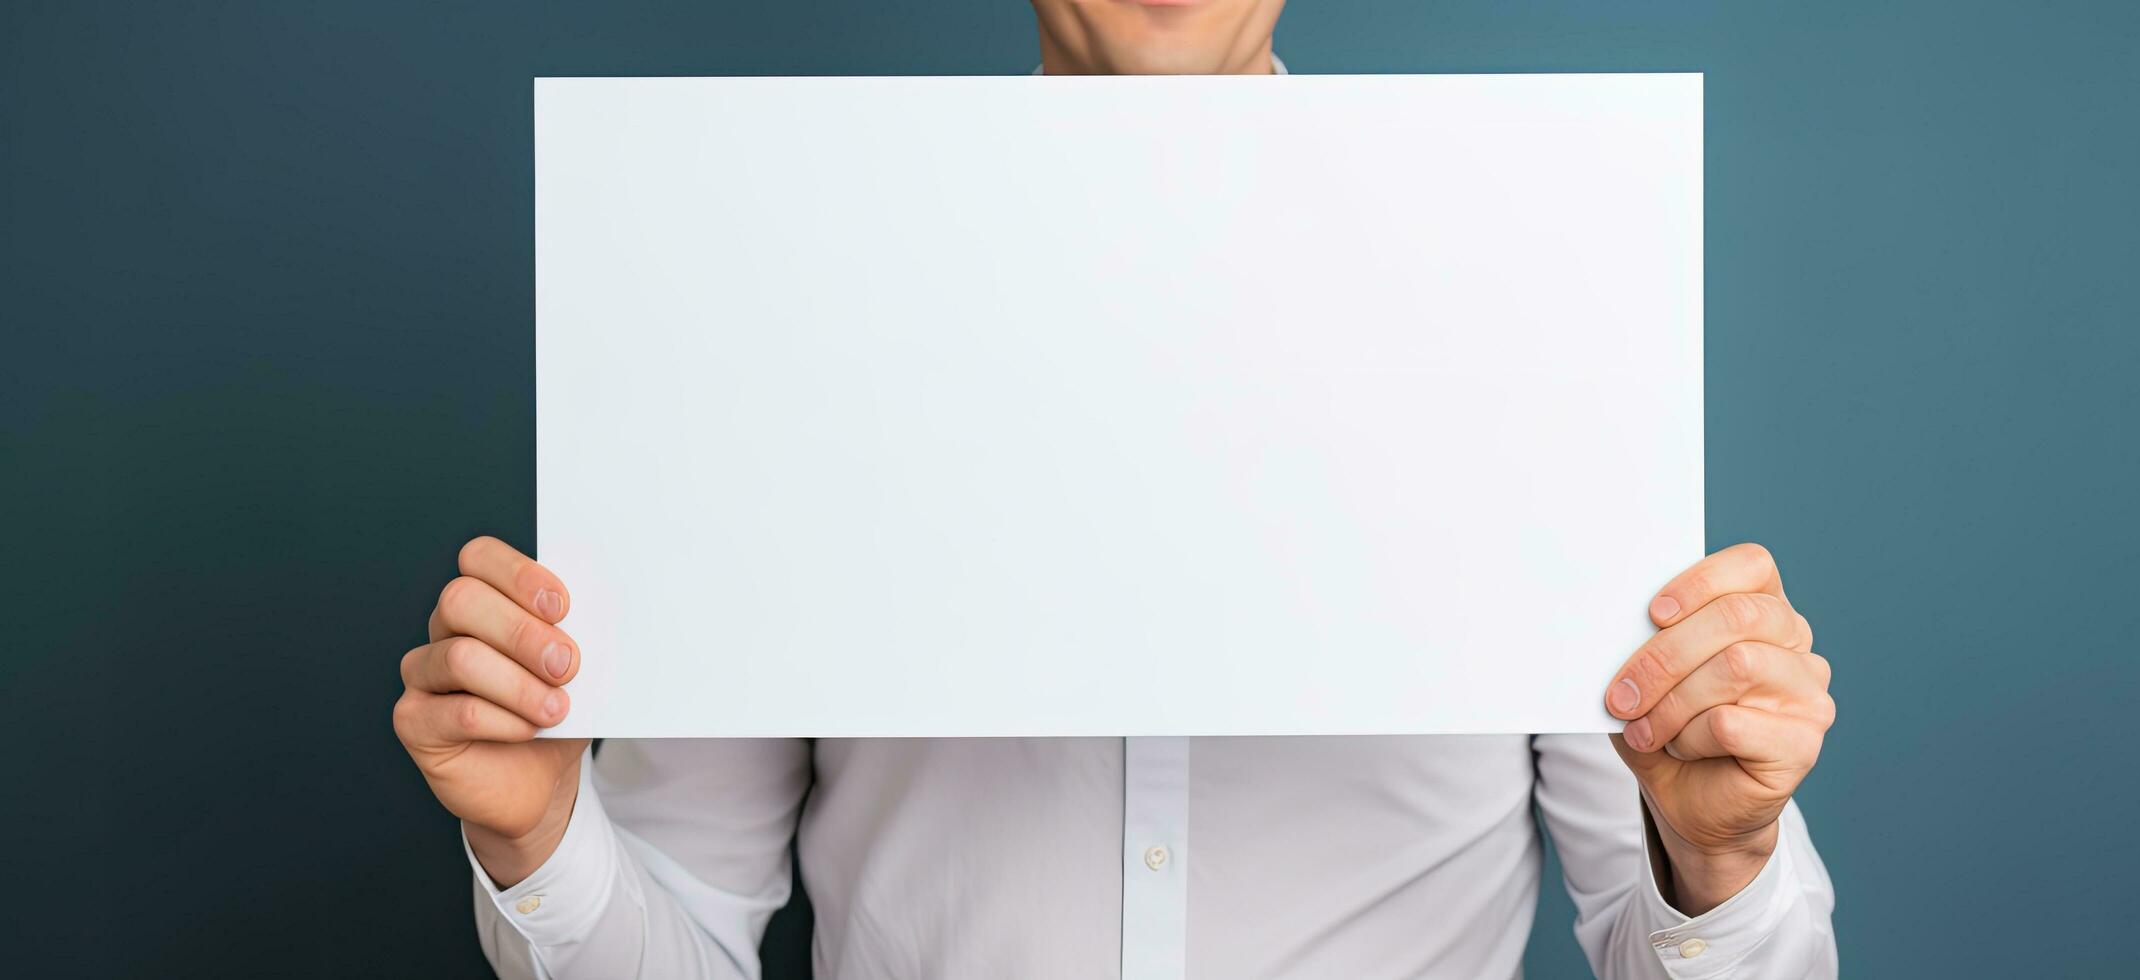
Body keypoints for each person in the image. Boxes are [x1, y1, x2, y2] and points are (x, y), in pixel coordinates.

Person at [392, 2, 1840, 976]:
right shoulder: (794, 291)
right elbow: (688, 938)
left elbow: (1696, 941)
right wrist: (540, 838)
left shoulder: (1528, 288)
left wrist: (1719, 861)